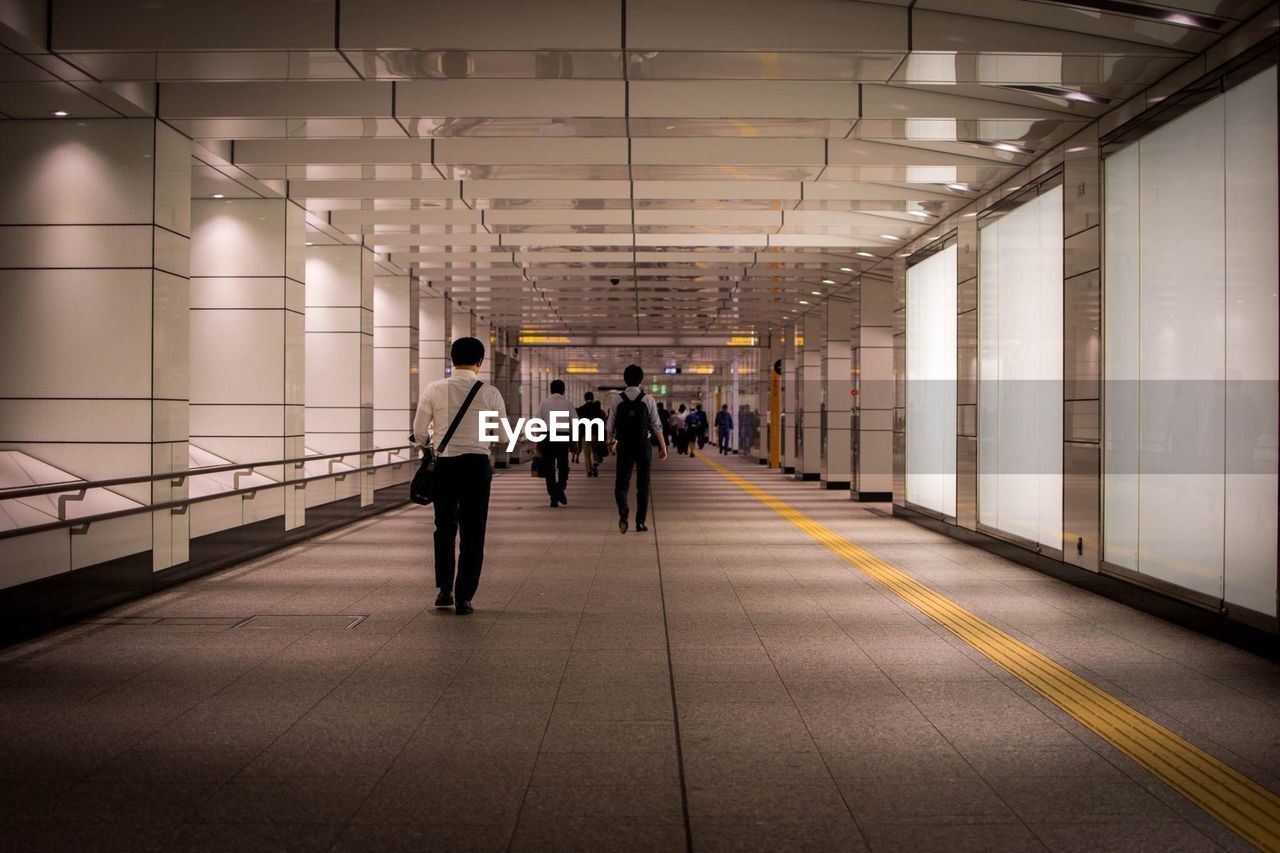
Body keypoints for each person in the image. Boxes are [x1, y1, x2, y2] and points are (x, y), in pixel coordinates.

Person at [411, 336, 507, 616]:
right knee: (473, 530)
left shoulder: (434, 389)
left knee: (444, 527)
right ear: (480, 362)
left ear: (452, 360)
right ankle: (464, 597)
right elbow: (502, 435)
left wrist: (434, 438)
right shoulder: (490, 393)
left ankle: (444, 589)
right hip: (477, 465)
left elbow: (418, 432)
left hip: (445, 465)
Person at [607, 364, 668, 534]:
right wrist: (663, 447)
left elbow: (610, 426)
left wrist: (611, 443)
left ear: (625, 379)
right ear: (641, 380)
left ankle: (623, 510)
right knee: (643, 485)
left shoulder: (617, 399)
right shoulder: (648, 399)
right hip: (643, 445)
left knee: (621, 483)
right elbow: (656, 425)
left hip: (625, 445)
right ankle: (640, 522)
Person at [536, 379, 575, 507]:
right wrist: (574, 441)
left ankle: (554, 495)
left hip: (547, 436)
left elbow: (538, 423)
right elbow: (574, 423)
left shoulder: (544, 403)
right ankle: (560, 488)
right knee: (563, 466)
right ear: (563, 390)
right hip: (563, 436)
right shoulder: (568, 403)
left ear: (550, 390)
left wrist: (538, 441)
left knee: (549, 468)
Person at [577, 391, 605, 477]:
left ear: (585, 398)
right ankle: (595, 463)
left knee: (586, 453)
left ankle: (589, 471)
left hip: (585, 434)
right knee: (595, 450)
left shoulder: (581, 409)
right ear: (592, 398)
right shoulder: (598, 409)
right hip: (595, 433)